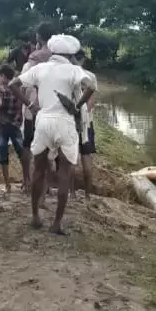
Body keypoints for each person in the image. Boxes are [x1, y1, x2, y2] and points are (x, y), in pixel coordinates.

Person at [10, 34, 96, 235]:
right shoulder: (74, 70)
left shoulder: (40, 68)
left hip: (43, 121)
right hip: (65, 123)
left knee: (38, 170)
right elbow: (91, 86)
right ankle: (56, 223)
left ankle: (35, 216)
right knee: (65, 173)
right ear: (70, 54)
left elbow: (13, 84)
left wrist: (31, 105)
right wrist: (78, 105)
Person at [20, 22, 58, 194]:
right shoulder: (62, 57)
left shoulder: (35, 57)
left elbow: (24, 83)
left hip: (36, 107)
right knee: (51, 146)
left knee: (30, 144)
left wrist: (27, 103)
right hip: (57, 107)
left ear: (39, 37)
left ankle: (28, 180)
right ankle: (49, 184)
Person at [0, 64, 26, 193]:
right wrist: (18, 118)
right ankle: (26, 180)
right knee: (21, 152)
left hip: (4, 124)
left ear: (3, 76)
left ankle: (8, 184)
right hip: (14, 124)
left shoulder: (1, 89)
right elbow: (20, 105)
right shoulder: (17, 87)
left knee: (3, 151)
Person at [71, 49, 97, 201]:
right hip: (86, 123)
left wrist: (75, 114)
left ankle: (72, 193)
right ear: (83, 60)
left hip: (71, 123)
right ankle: (87, 195)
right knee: (86, 160)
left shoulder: (70, 75)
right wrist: (83, 114)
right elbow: (91, 102)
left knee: (71, 160)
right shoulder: (90, 76)